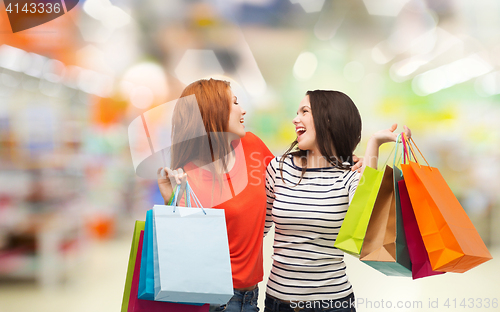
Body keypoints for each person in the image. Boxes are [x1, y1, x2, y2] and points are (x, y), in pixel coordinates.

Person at [263, 90, 411, 312]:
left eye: (305, 112)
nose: (295, 119)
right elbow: (258, 229)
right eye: (297, 112)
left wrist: (375, 144)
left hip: (332, 303)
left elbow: (365, 218)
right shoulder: (279, 168)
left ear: (329, 120)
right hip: (278, 303)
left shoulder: (349, 175)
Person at [157, 78, 276, 312]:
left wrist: (346, 163)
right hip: (212, 300)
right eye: (234, 103)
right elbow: (183, 249)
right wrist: (171, 200)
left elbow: (291, 177)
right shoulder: (187, 178)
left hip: (251, 298)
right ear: (212, 113)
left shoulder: (252, 147)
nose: (243, 110)